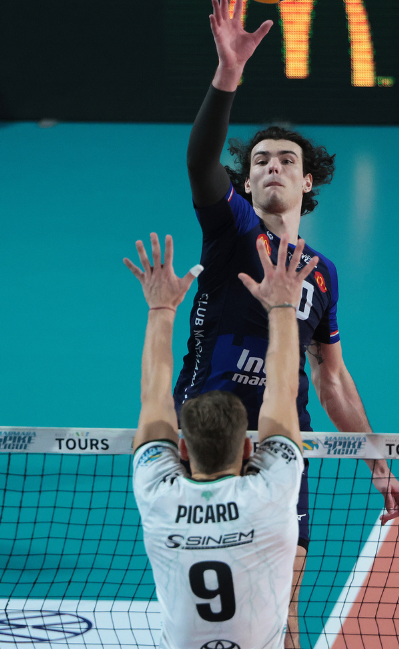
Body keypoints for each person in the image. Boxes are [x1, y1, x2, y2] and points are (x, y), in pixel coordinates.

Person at [181, 0, 399, 647]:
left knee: (283, 615)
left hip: (287, 450)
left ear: (308, 182)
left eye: (286, 159)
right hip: (208, 439)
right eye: (259, 162)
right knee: (215, 608)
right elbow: (201, 161)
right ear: (247, 185)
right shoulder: (231, 233)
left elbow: (333, 379)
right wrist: (227, 77)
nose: (273, 167)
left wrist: (379, 465)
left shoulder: (322, 273)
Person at [129, 231, 310, 649]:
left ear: (184, 449)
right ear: (248, 448)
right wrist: (284, 305)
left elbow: (153, 398)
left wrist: (161, 308)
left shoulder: (158, 496)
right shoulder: (273, 492)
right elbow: (282, 391)